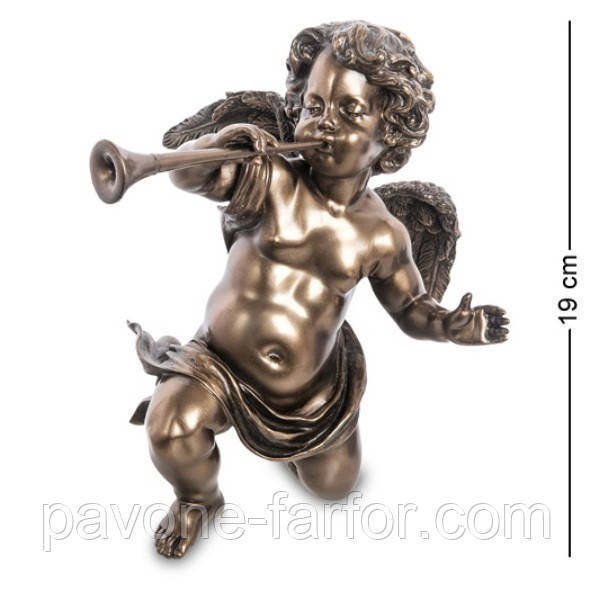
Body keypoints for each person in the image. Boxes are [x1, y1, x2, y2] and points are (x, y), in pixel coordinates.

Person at [132, 21, 508, 558]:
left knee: (333, 487)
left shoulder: (382, 234)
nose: (324, 123)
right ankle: (197, 498)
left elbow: (410, 306)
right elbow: (189, 176)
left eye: (349, 111)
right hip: (218, 361)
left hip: (309, 394)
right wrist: (224, 144)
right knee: (169, 428)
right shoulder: (272, 178)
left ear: (389, 136)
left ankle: (291, 446)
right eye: (314, 105)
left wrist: (449, 325)